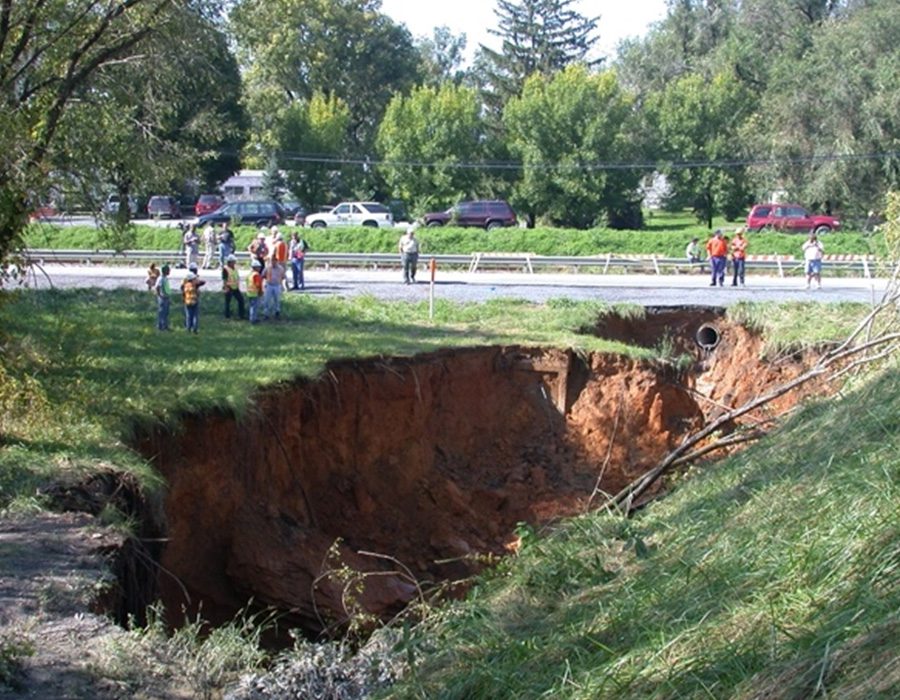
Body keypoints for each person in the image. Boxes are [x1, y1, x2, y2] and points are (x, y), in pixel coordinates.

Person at [222, 254, 245, 319]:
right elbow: (225, 279)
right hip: (229, 287)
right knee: (228, 302)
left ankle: (241, 315)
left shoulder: (235, 268)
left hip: (235, 287)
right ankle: (227, 315)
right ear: (230, 262)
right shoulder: (225, 269)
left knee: (241, 300)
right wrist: (226, 287)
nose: (234, 263)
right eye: (233, 261)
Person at [154, 264, 172, 331]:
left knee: (166, 312)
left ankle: (165, 325)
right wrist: (159, 295)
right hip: (162, 298)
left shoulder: (165, 278)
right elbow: (157, 287)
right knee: (162, 312)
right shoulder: (161, 278)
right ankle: (161, 326)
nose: (169, 271)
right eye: (168, 270)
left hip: (166, 297)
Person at [246, 259, 264, 324]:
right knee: (254, 307)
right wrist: (260, 291)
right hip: (255, 293)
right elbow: (258, 284)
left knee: (251, 306)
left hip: (249, 293)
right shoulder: (256, 275)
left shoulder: (249, 274)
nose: (259, 268)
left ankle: (252, 318)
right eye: (258, 267)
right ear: (255, 267)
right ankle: (253, 319)